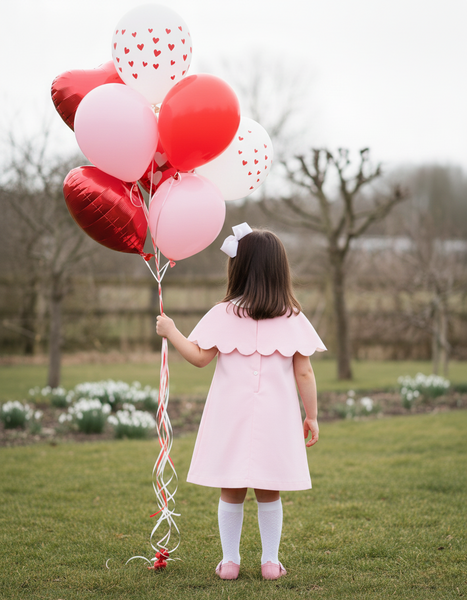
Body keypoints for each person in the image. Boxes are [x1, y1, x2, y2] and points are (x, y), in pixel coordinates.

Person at [156, 224, 326, 581]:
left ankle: (230, 562)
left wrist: (173, 332)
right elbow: (305, 373)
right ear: (280, 270)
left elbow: (200, 357)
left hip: (229, 417)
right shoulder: (292, 317)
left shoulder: (223, 314)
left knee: (231, 489)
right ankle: (270, 561)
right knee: (269, 490)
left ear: (238, 268)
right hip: (277, 419)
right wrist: (311, 416)